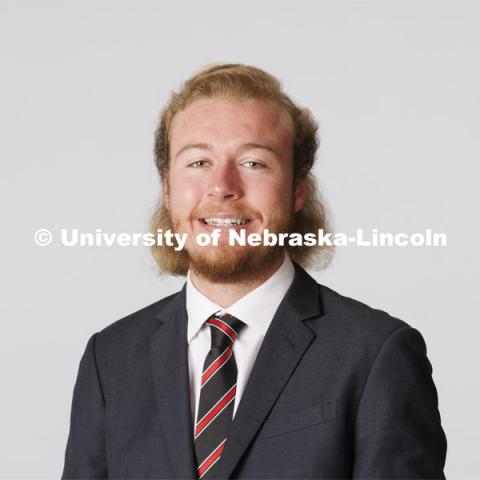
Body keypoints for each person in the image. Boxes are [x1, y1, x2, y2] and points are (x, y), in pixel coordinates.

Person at [62, 64, 447, 479]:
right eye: (198, 162)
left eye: (254, 163)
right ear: (168, 187)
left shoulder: (376, 354)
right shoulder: (111, 359)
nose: (222, 185)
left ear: (298, 189)